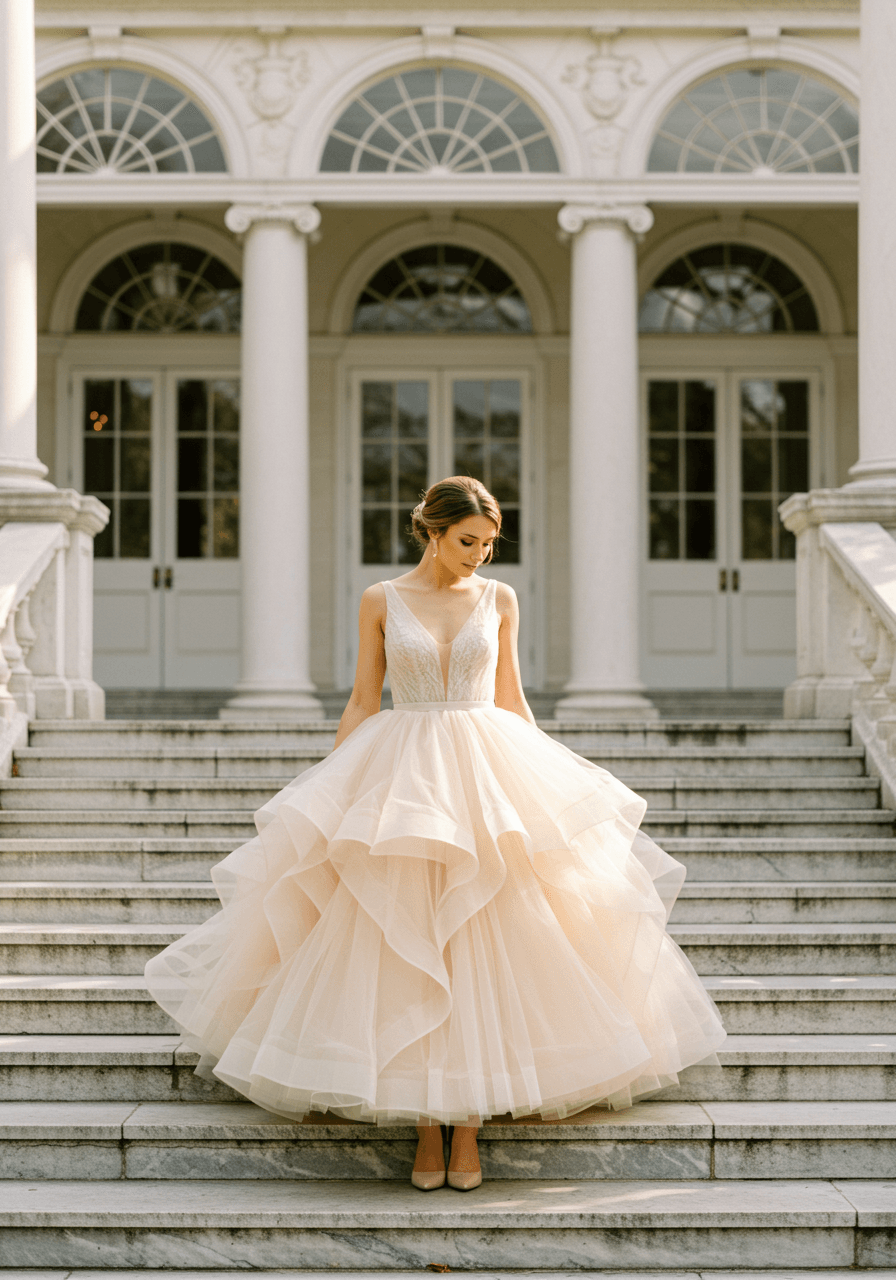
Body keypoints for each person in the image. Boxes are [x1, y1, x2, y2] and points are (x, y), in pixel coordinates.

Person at [145, 475, 726, 1192]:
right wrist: (333, 789)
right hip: (405, 772)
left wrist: (550, 782)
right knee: (409, 937)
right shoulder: (380, 599)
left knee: (487, 934)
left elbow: (511, 698)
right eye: (467, 541)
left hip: (486, 767)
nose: (479, 555)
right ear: (432, 530)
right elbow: (364, 700)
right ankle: (427, 1125)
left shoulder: (499, 599)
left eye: (489, 544)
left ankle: (469, 1125)